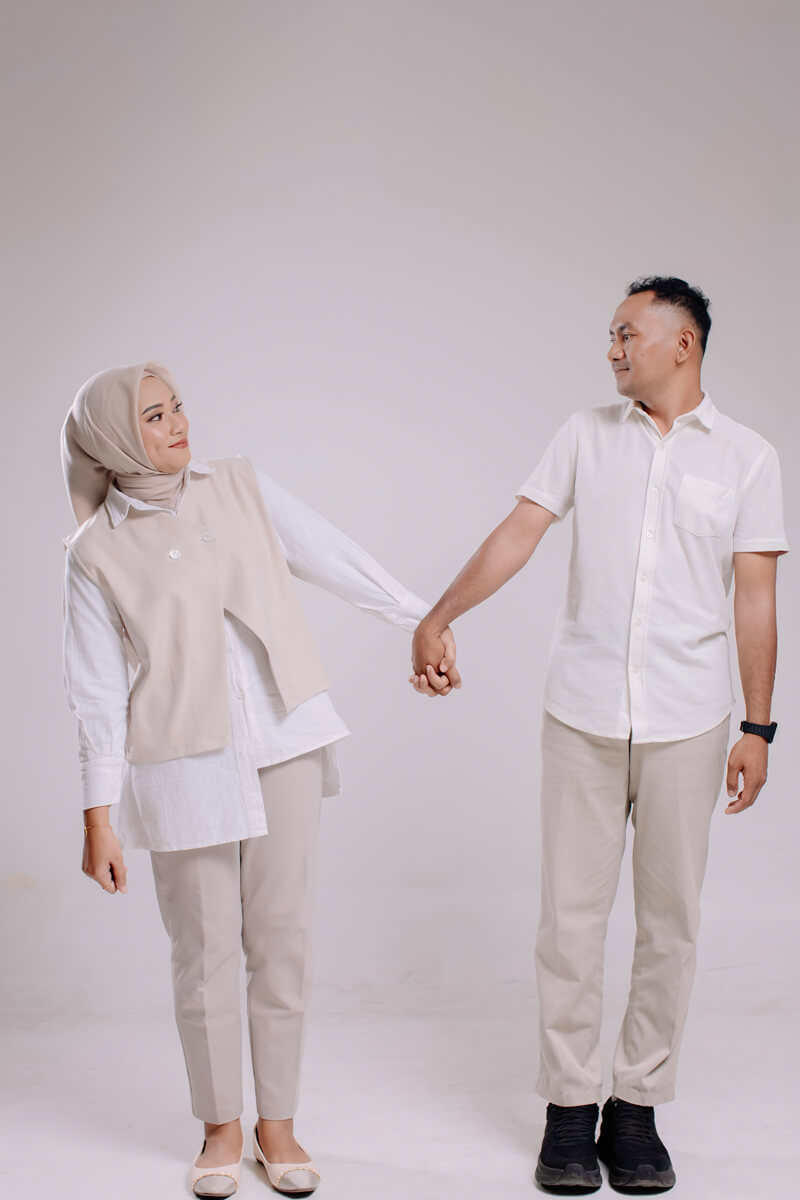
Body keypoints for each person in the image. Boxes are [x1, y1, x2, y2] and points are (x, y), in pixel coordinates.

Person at [409, 277, 787, 1192]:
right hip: (580, 713)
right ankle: (571, 1108)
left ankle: (638, 1107)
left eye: (627, 334)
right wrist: (439, 615)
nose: (611, 349)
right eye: (611, 335)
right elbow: (520, 532)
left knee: (672, 922)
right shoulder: (584, 436)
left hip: (689, 721)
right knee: (570, 922)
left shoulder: (748, 457)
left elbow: (756, 597)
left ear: (682, 344)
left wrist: (759, 725)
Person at [61, 362, 460, 1198]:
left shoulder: (239, 484)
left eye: (177, 407)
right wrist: (99, 817)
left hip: (286, 739)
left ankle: (278, 1125)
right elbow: (95, 692)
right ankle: (220, 1129)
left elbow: (330, 554)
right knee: (202, 951)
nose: (177, 424)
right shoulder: (94, 552)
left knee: (283, 938)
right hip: (180, 764)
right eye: (153, 416)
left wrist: (425, 618)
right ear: (112, 439)